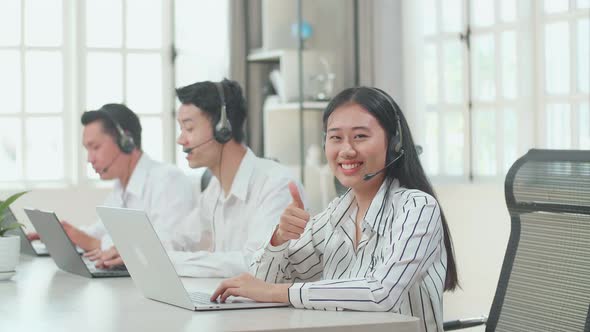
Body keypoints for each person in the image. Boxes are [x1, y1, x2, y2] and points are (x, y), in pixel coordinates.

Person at [211, 87, 459, 332]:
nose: (346, 150)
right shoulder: (335, 214)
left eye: (360, 136)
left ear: (394, 143)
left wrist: (277, 292)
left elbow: (381, 293)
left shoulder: (417, 208)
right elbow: (263, 283)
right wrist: (279, 240)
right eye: (336, 137)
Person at [28, 103, 194, 268]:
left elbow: (169, 245)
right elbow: (100, 230)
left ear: (126, 141)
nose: (89, 159)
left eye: (96, 147)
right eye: (88, 149)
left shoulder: (168, 180)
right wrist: (66, 234)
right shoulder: (121, 187)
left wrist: (95, 243)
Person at [168, 79, 306, 277]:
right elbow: (181, 237)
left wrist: (172, 261)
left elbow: (255, 263)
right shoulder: (215, 189)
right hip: (233, 303)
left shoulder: (275, 184)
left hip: (272, 307)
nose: (180, 140)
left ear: (222, 128)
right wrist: (141, 251)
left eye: (189, 129)